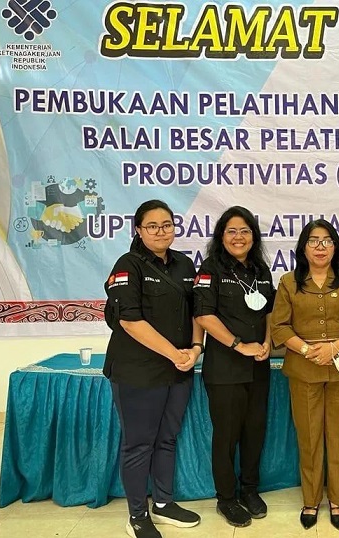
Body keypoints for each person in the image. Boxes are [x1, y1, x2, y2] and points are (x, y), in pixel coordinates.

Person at [104, 199, 203, 538]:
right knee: (139, 444)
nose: (161, 232)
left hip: (179, 370)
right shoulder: (127, 265)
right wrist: (175, 354)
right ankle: (137, 515)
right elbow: (130, 321)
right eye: (152, 226)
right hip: (138, 372)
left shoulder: (184, 264)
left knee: (167, 438)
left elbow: (197, 311)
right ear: (139, 230)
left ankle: (163, 503)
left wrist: (196, 348)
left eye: (167, 225)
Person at [270, 219, 339, 530]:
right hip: (304, 370)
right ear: (303, 247)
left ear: (336, 247)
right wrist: (306, 350)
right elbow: (279, 327)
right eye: (313, 241)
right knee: (310, 438)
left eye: (327, 241)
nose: (320, 247)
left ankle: (337, 500)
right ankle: (311, 500)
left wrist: (334, 347)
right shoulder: (289, 282)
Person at [193, 206, 275, 528]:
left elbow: (269, 312)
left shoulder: (261, 270)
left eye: (245, 231)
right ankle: (226, 498)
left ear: (253, 236)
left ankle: (250, 490)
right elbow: (204, 316)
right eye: (231, 231)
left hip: (259, 367)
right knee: (227, 436)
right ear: (221, 236)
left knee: (255, 431)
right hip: (225, 368)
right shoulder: (210, 269)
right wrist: (239, 345)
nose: (238, 237)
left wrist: (267, 342)